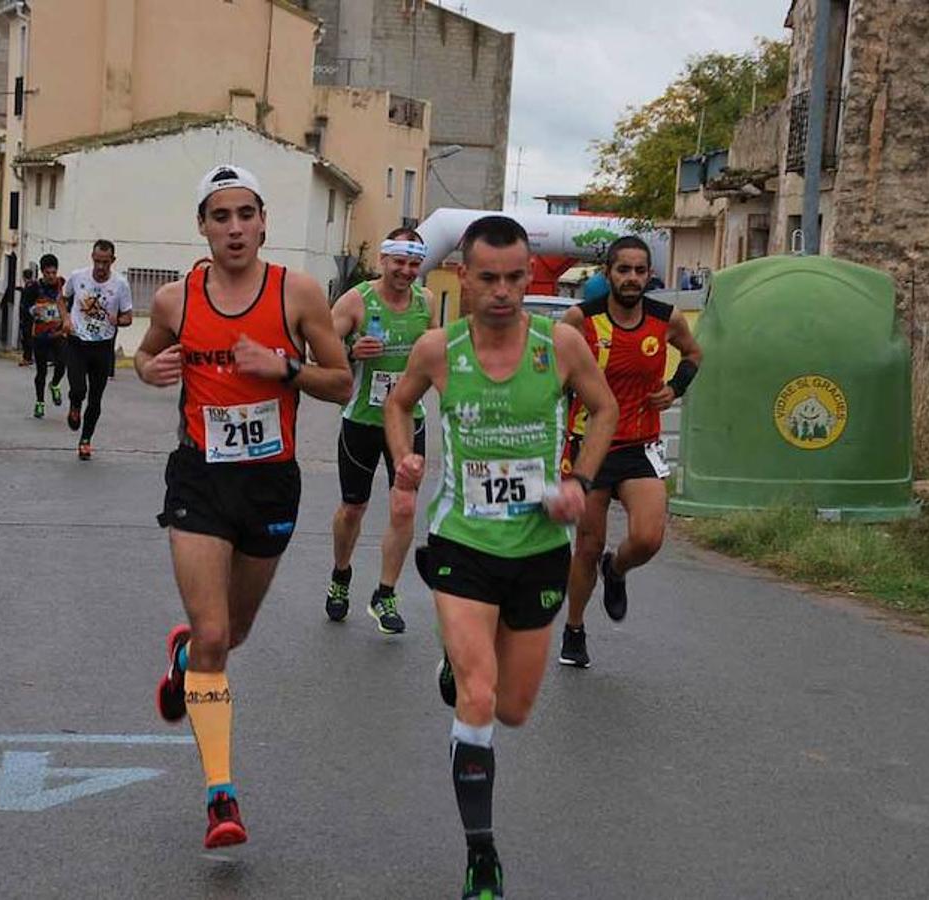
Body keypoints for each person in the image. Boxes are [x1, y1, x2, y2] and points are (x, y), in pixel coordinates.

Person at [385, 215, 617, 900]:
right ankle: (480, 853)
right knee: (480, 696)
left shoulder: (562, 345)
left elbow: (602, 410)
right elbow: (399, 404)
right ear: (463, 276)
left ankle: (458, 672)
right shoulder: (438, 349)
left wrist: (576, 481)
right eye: (489, 278)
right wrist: (404, 459)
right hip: (462, 544)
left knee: (512, 709)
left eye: (517, 277)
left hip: (540, 549)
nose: (505, 291)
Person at [137, 164, 351, 848]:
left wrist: (283, 367)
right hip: (199, 480)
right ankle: (220, 795)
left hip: (270, 484)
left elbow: (342, 384)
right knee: (212, 636)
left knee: (233, 635)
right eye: (220, 216)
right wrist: (152, 368)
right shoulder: (176, 300)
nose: (234, 228)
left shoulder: (299, 294)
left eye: (245, 215)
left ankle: (185, 663)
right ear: (202, 226)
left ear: (264, 223)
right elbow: (145, 356)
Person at [556, 235, 702, 669]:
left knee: (648, 538)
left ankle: (616, 569)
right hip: (590, 447)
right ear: (609, 275)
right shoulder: (580, 319)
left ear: (650, 275)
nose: (633, 278)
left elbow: (694, 353)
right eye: (624, 270)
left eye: (640, 271)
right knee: (586, 543)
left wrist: (675, 387)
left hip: (641, 443)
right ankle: (574, 629)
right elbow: (554, 372)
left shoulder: (666, 318)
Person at [324, 227, 439, 634]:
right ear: (384, 261)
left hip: (410, 420)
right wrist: (351, 350)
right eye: (399, 263)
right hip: (362, 420)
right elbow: (318, 350)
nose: (406, 271)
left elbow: (434, 355)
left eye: (414, 264)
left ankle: (385, 593)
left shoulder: (425, 302)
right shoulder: (357, 301)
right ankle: (341, 575)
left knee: (404, 505)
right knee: (353, 507)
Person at [58, 240, 132, 460]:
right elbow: (61, 299)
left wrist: (117, 319)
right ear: (92, 258)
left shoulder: (120, 284)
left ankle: (86, 440)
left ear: (113, 261)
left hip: (102, 346)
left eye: (105, 262)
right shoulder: (78, 276)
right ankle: (74, 405)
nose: (100, 267)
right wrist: (65, 319)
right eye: (97, 261)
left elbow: (128, 317)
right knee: (78, 388)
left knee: (96, 398)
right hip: (77, 342)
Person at [25, 254, 66, 418]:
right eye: (48, 273)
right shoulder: (34, 288)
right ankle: (40, 402)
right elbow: (25, 307)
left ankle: (55, 384)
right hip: (40, 334)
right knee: (41, 371)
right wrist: (33, 310)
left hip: (58, 333)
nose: (51, 276)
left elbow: (70, 300)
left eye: (54, 272)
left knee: (62, 363)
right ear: (42, 272)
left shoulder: (62, 284)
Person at [18, 267, 37, 366]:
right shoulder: (29, 286)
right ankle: (27, 357)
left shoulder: (31, 286)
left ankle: (27, 357)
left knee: (27, 337)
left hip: (28, 315)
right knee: (26, 336)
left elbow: (28, 301)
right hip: (26, 314)